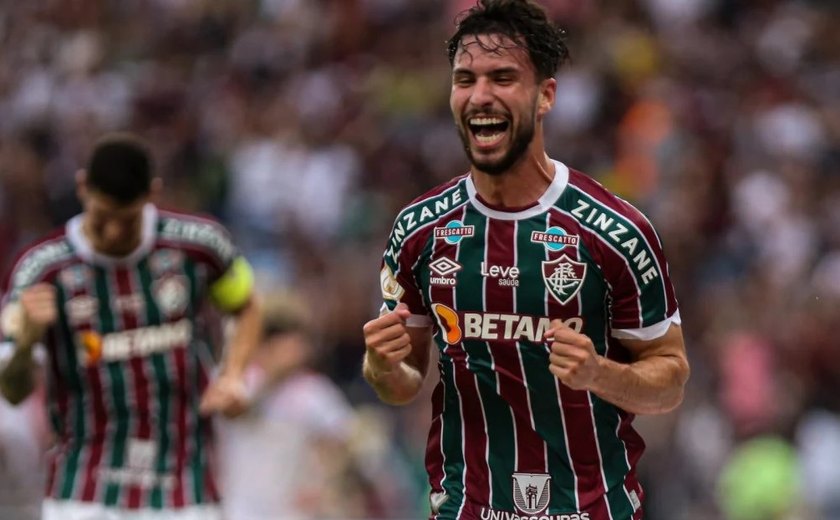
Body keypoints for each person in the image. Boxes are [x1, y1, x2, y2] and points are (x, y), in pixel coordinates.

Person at [361, 1, 690, 519]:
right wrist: (380, 363)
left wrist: (598, 373)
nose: (480, 95)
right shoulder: (419, 229)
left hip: (590, 508)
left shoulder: (616, 230)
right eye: (465, 79)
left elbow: (670, 380)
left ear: (545, 96)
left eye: (503, 77)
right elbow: (403, 382)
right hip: (466, 507)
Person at [0, 132, 262, 520]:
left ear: (152, 193)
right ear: (82, 187)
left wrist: (234, 374)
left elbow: (247, 304)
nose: (114, 233)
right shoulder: (40, 269)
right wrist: (26, 343)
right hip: (83, 487)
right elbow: (12, 390)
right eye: (103, 216)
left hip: (184, 485)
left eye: (127, 219)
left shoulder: (201, 244)